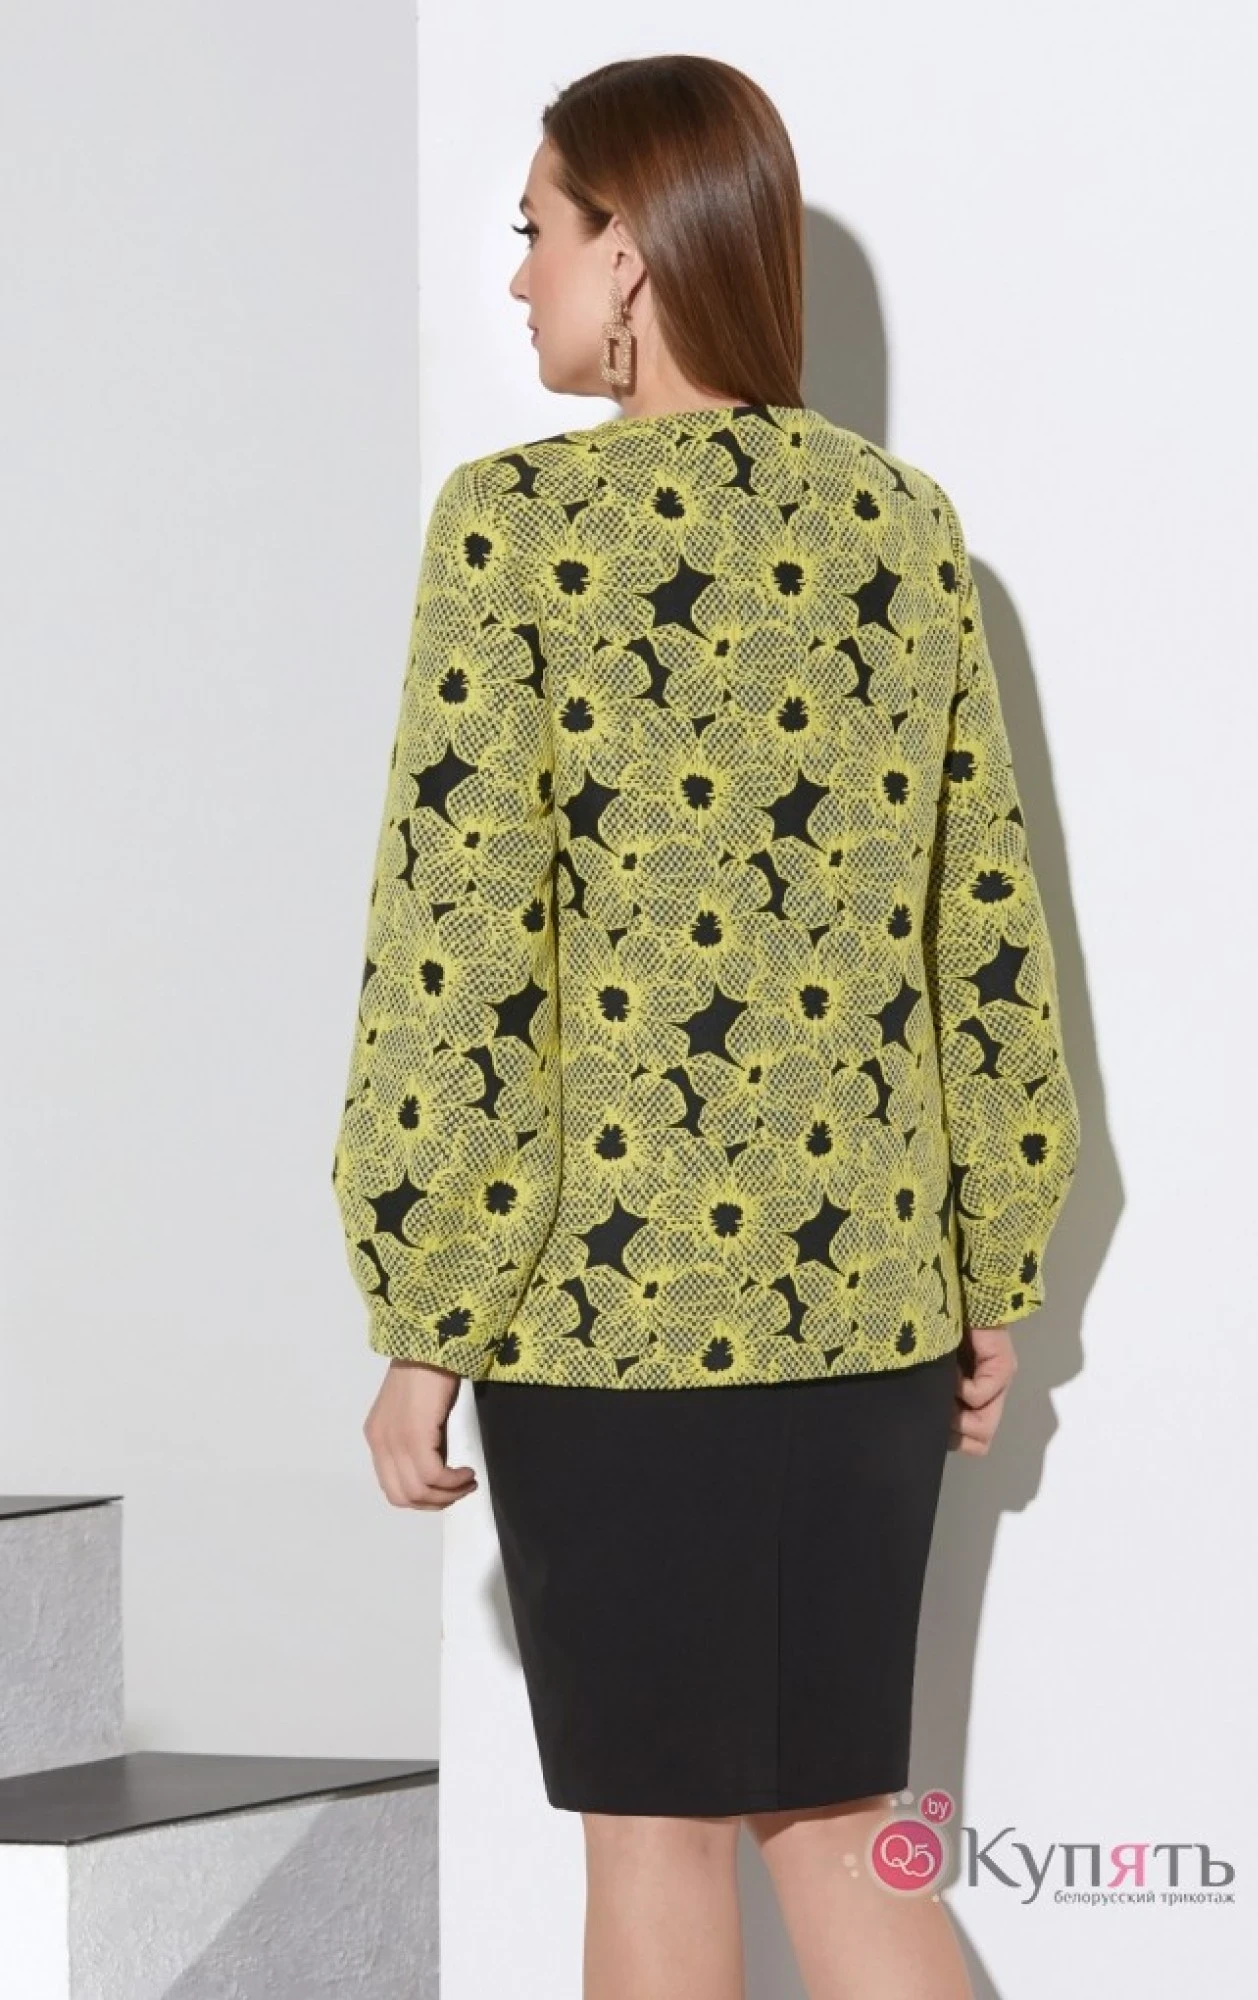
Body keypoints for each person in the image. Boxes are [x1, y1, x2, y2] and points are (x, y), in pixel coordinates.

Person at [330, 51, 1080, 2000]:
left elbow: (460, 947)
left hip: (611, 1311)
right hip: (869, 1313)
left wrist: (423, 1311)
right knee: (839, 1831)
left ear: (634, 250)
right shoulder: (902, 527)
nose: (518, 277)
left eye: (537, 229)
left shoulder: (513, 529)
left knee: (654, 1839)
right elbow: (984, 936)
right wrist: (984, 1271)